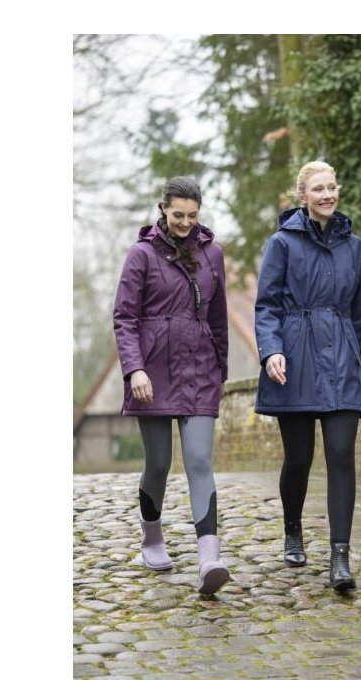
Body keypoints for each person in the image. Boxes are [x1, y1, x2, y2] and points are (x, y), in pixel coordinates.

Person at [254, 161, 361, 592]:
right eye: (318, 189)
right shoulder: (281, 244)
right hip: (295, 359)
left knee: (341, 454)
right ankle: (292, 529)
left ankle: (340, 557)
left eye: (331, 187)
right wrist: (271, 350)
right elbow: (266, 305)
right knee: (299, 457)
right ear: (302, 196)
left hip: (343, 359)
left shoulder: (356, 249)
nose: (327, 195)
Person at [113, 176, 231, 595]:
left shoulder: (213, 254)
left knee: (199, 460)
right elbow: (124, 318)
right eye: (178, 214)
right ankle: (152, 538)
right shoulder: (141, 255)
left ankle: (209, 559)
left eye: (192, 215)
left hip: (200, 370)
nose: (185, 222)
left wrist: (220, 369)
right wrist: (135, 369)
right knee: (159, 462)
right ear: (163, 208)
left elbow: (218, 318)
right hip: (153, 375)